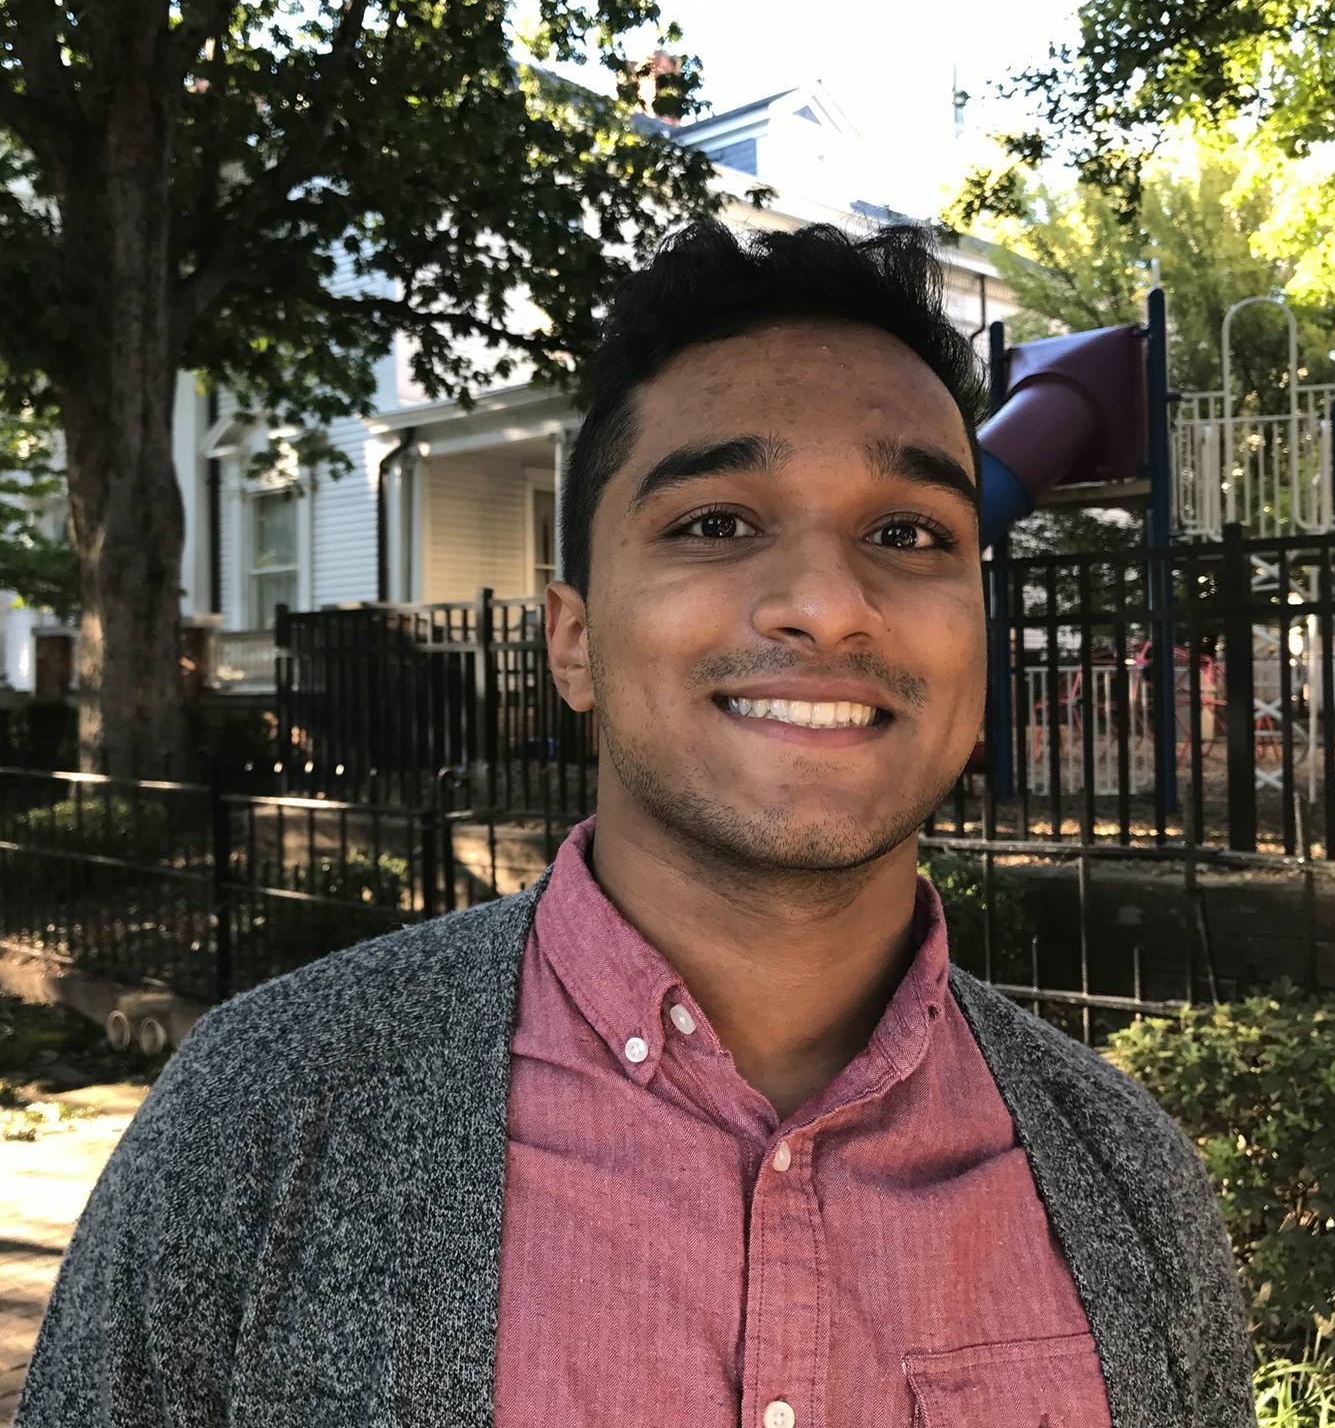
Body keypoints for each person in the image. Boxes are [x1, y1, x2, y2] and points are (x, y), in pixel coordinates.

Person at [17, 219, 1257, 1428]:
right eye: (716, 522)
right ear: (573, 642)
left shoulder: (1127, 1186)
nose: (830, 606)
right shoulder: (262, 1120)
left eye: (909, 532)